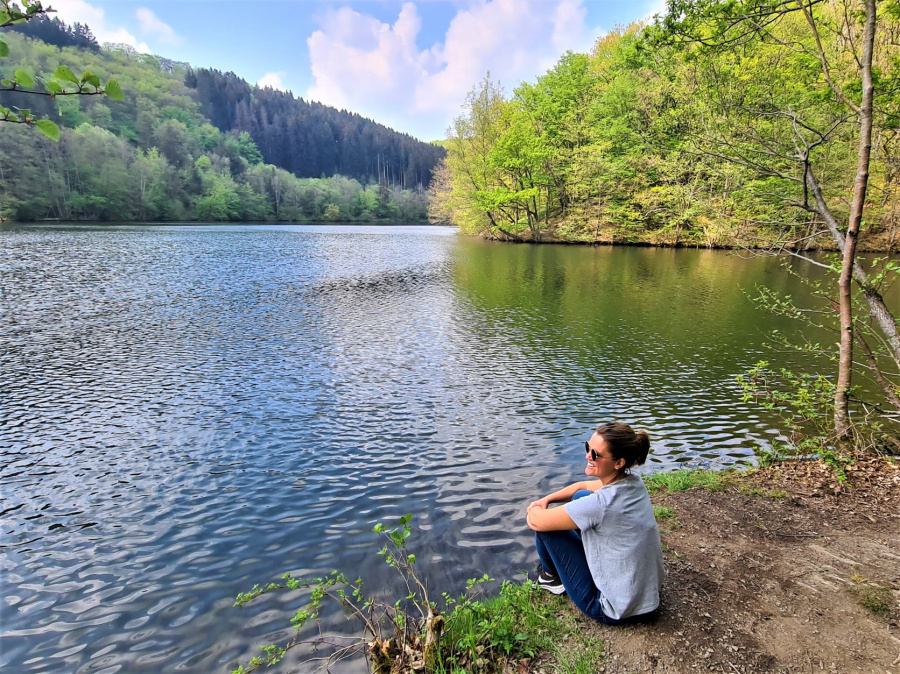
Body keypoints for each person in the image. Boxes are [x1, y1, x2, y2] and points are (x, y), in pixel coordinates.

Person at [525, 422, 663, 625]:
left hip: (613, 608)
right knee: (581, 495)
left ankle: (549, 578)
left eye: (595, 454)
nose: (588, 456)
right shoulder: (632, 481)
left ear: (619, 462)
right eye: (587, 447)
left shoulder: (601, 505)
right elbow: (581, 486)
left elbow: (536, 523)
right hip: (647, 599)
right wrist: (547, 499)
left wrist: (534, 508)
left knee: (548, 529)